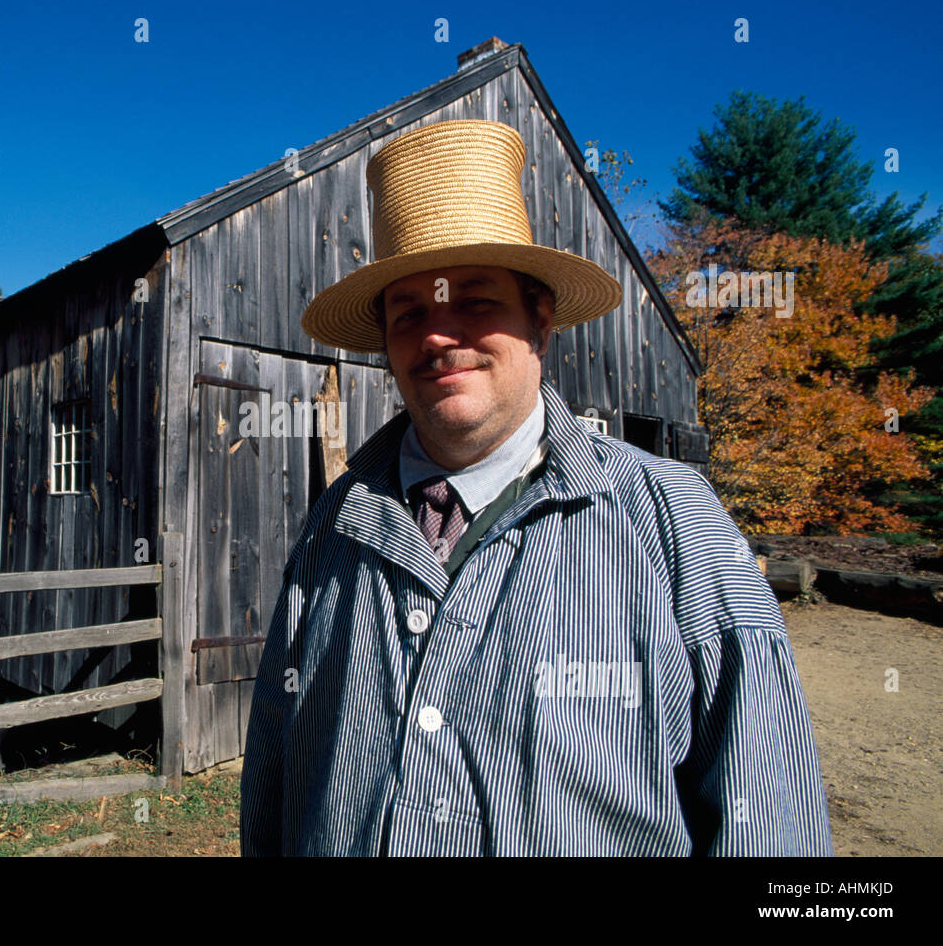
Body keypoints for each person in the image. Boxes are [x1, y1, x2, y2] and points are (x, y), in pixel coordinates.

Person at [239, 118, 832, 856]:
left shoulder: (672, 519)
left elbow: (767, 815)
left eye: (476, 301)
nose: (438, 335)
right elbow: (273, 769)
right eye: (410, 312)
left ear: (541, 323)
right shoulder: (336, 523)